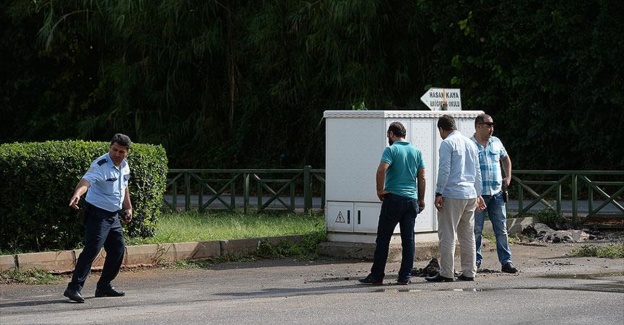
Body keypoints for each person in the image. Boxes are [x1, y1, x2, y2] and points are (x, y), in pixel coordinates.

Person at [63, 133, 133, 303]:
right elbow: (85, 182)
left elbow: (124, 187)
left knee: (117, 249)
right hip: (97, 214)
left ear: (127, 152)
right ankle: (73, 288)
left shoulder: (124, 166)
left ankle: (104, 286)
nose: (116, 154)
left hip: (113, 216)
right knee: (92, 250)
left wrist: (128, 207)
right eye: (114, 150)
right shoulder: (100, 164)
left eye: (121, 151)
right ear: (110, 147)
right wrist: (77, 195)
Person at [359, 122, 426, 285]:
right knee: (408, 240)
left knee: (383, 238)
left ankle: (377, 275)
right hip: (411, 200)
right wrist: (421, 199)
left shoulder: (391, 149)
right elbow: (422, 177)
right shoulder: (417, 152)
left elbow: (382, 169)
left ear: (391, 134)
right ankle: (405, 276)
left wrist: (379, 190)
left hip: (394, 199)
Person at [426, 115, 485, 282]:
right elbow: (477, 171)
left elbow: (444, 169)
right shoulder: (471, 143)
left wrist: (439, 192)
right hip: (470, 194)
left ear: (441, 129)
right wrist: (479, 193)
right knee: (468, 235)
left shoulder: (447, 143)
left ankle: (447, 272)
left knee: (448, 234)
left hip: (452, 193)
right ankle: (469, 271)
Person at [471, 114, 517, 273]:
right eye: (488, 125)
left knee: (501, 228)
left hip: (496, 192)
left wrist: (508, 176)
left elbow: (505, 158)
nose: (491, 128)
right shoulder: (470, 144)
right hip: (479, 194)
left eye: (492, 125)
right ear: (478, 126)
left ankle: (506, 261)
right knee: (476, 229)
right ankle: (475, 262)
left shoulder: (496, 142)